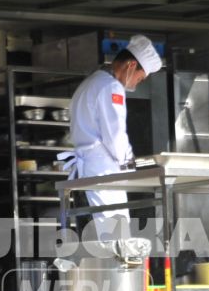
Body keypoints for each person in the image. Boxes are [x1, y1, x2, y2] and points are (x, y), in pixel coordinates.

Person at [61, 34, 162, 239]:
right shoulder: (111, 86)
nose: (136, 83)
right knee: (114, 239)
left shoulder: (90, 82)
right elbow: (115, 136)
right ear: (131, 65)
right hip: (103, 173)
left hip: (84, 173)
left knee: (92, 237)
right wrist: (130, 165)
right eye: (139, 78)